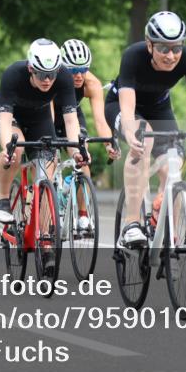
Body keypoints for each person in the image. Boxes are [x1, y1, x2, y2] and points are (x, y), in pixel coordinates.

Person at [104, 11, 186, 245]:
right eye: (163, 48)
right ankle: (132, 224)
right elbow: (128, 103)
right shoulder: (133, 56)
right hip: (121, 105)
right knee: (144, 140)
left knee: (174, 161)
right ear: (149, 44)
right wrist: (131, 133)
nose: (171, 55)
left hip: (159, 108)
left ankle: (165, 227)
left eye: (177, 48)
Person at [0, 38, 89, 224]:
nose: (48, 80)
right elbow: (4, 120)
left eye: (52, 74)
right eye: (42, 75)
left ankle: (44, 238)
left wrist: (76, 151)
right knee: (15, 148)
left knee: (46, 175)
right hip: (10, 116)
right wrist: (7, 148)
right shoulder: (12, 74)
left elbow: (71, 120)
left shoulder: (64, 76)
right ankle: (3, 199)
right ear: (30, 69)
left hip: (38, 117)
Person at [52, 39, 120, 231]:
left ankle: (82, 215)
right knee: (48, 159)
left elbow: (100, 120)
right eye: (73, 70)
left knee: (83, 156)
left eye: (83, 69)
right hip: (48, 115)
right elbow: (46, 117)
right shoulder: (51, 80)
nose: (79, 75)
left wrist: (109, 143)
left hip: (73, 116)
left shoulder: (91, 83)